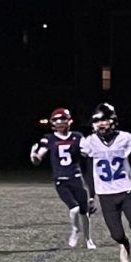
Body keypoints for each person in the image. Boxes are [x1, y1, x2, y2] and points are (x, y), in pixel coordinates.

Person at [80, 103, 131, 262]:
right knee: (116, 234)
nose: (101, 124)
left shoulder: (126, 139)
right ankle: (124, 244)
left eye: (104, 119)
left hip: (126, 191)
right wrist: (91, 195)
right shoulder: (90, 142)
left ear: (113, 121)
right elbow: (89, 171)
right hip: (106, 196)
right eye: (97, 121)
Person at [30, 107, 95, 249]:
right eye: (57, 120)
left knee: (85, 211)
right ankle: (75, 230)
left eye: (63, 119)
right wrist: (34, 156)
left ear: (69, 121)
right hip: (60, 178)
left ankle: (88, 238)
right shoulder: (49, 138)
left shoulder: (77, 136)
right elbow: (39, 157)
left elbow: (87, 152)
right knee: (74, 208)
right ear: (52, 122)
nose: (60, 123)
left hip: (76, 177)